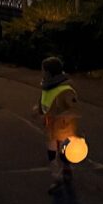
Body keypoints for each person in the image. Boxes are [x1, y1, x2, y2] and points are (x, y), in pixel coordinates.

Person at [33, 56, 82, 194]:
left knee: (63, 153)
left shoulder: (66, 90)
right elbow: (45, 104)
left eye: (43, 71)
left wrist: (59, 117)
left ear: (48, 72)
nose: (41, 73)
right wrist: (38, 110)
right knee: (52, 154)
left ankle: (65, 172)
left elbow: (75, 110)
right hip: (50, 129)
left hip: (63, 129)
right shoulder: (46, 88)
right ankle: (58, 177)